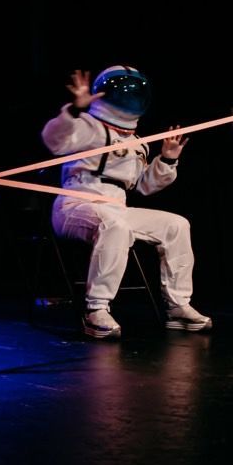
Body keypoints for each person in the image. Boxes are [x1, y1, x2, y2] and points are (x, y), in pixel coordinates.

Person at [41, 66, 210, 339]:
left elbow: (143, 186)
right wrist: (74, 110)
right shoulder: (87, 127)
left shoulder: (138, 142)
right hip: (76, 205)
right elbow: (54, 140)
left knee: (176, 225)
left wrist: (167, 159)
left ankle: (178, 306)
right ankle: (96, 309)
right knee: (115, 225)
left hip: (117, 207)